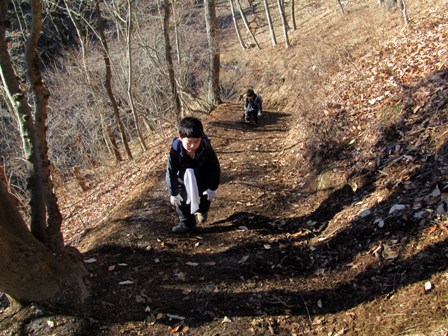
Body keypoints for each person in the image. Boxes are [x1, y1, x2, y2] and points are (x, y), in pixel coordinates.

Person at [166, 117, 221, 233]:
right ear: (180, 137)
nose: (192, 146)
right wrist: (174, 193)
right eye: (189, 142)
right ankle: (187, 223)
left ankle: (203, 210)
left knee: (204, 196)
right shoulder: (175, 151)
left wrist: (212, 188)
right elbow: (170, 172)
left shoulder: (206, 148)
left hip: (202, 176)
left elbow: (215, 168)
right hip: (182, 179)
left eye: (196, 141)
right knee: (181, 202)